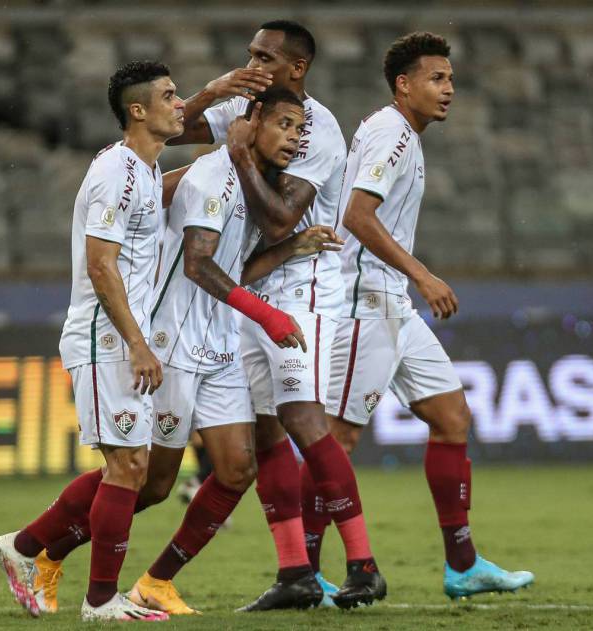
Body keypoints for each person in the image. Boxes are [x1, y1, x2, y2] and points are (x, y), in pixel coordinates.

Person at [312, 32, 535, 600]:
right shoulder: (392, 133)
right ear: (403, 85)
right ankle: (302, 570)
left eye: (451, 79)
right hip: (365, 302)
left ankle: (462, 565)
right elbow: (359, 216)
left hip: (391, 305)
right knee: (338, 438)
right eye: (437, 79)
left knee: (452, 417)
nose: (449, 90)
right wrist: (423, 273)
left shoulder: (399, 133)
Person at [173, 20, 385, 610]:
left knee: (299, 416)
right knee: (266, 430)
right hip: (254, 286)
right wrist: (213, 93)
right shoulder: (245, 104)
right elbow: (168, 128)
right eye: (249, 52)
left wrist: (239, 152)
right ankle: (294, 572)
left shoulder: (315, 131)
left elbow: (278, 223)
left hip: (305, 290)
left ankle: (363, 565)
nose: (252, 61)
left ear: (297, 68)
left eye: (264, 55)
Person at [125, 88, 347, 615]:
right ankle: (42, 542)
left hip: (219, 345)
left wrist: (293, 247)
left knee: (235, 469)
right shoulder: (209, 175)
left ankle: (156, 582)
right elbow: (197, 266)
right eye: (285, 126)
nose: (295, 138)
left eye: (300, 130)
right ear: (250, 123)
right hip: (176, 342)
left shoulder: (252, 186)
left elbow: (237, 268)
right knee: (151, 484)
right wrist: (268, 315)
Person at [0, 60, 183, 622]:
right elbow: (101, 265)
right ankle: (99, 601)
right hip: (105, 338)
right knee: (127, 468)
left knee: (132, 467)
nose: (180, 103)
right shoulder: (117, 174)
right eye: (169, 96)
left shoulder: (145, 171)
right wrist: (137, 343)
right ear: (138, 110)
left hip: (123, 338)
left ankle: (22, 548)